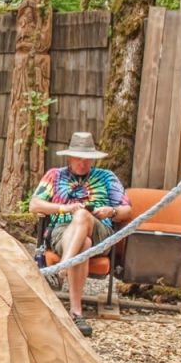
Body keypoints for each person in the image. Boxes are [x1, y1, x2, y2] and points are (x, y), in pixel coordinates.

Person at [29, 131, 131, 337]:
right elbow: (34, 205)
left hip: (100, 232)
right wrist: (64, 209)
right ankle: (76, 313)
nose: (82, 163)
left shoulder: (107, 177)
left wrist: (110, 211)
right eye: (78, 158)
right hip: (62, 233)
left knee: (83, 216)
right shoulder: (55, 175)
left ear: (93, 159)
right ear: (69, 157)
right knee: (82, 243)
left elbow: (127, 211)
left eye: (86, 159)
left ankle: (61, 269)